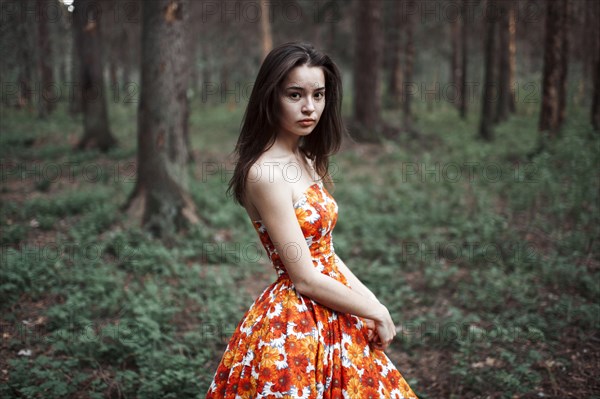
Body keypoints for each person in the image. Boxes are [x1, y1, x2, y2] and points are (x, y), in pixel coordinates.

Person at [205, 41, 418, 399]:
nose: (310, 107)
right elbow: (303, 277)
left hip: (333, 303)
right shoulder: (265, 172)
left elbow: (326, 254)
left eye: (318, 95)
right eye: (295, 94)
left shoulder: (306, 159)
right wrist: (375, 310)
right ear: (270, 97)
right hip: (296, 323)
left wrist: (369, 301)